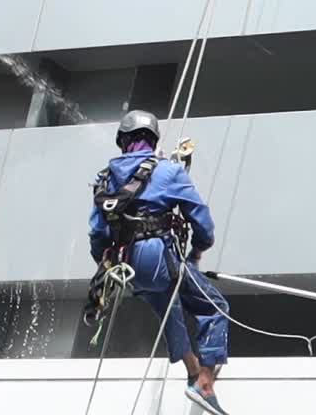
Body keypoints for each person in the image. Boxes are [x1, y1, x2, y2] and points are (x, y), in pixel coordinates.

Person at [88, 110, 231, 415]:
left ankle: (193, 375)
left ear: (122, 141)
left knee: (171, 313)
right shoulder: (168, 172)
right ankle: (205, 381)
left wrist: (107, 267)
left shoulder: (104, 180)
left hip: (127, 266)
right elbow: (201, 220)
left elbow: (98, 234)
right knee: (214, 306)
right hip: (160, 255)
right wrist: (198, 250)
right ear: (152, 140)